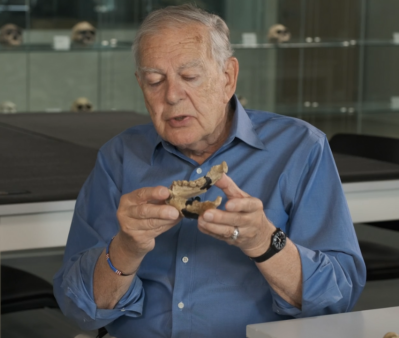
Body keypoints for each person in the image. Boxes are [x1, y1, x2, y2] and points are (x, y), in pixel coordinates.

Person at [53, 4, 366, 338]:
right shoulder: (119, 157)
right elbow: (80, 308)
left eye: (190, 77)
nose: (172, 95)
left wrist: (265, 240)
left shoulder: (300, 149)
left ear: (228, 77)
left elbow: (339, 299)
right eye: (154, 81)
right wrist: (126, 248)